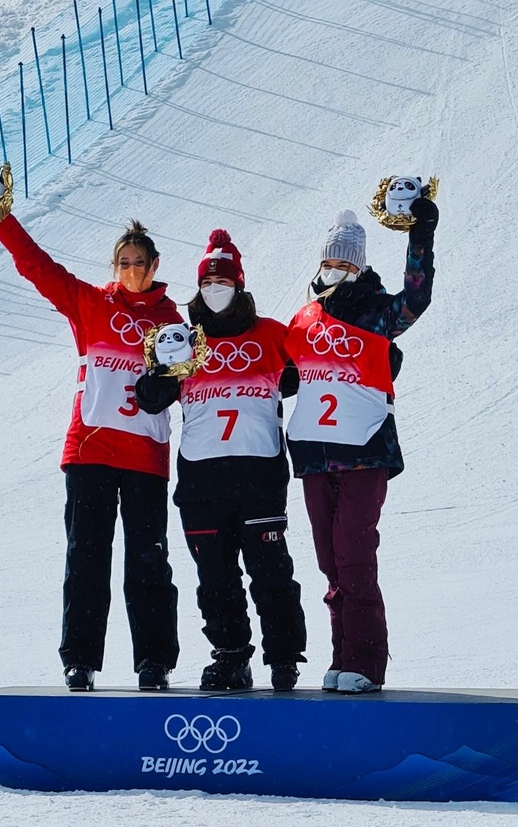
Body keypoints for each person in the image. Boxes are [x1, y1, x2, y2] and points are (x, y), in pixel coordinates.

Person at [0, 164, 182, 692]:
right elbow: (38, 268)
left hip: (145, 456)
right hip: (87, 451)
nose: (131, 270)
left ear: (156, 265)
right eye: (123, 262)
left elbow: (196, 377)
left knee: (148, 562)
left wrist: (171, 385)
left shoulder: (175, 323)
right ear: (115, 266)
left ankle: (153, 661)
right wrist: (2, 221)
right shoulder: (91, 304)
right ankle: (80, 659)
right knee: (86, 559)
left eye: (140, 263)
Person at [136, 229, 307, 691]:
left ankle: (285, 657)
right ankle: (230, 656)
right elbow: (150, 398)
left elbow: (315, 369)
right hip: (202, 478)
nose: (215, 291)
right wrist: (158, 374)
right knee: (215, 577)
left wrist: (378, 351)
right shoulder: (184, 341)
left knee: (271, 568)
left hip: (259, 473)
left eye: (224, 283)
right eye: (208, 284)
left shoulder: (272, 334)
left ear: (239, 285)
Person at [285, 199, 438, 693]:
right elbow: (284, 373)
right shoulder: (303, 318)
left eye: (347, 262)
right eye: (331, 261)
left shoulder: (375, 312)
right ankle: (341, 657)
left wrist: (420, 238)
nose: (337, 270)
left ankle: (367, 662)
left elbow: (414, 300)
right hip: (315, 454)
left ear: (361, 265)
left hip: (363, 450)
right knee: (330, 561)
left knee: (354, 554)